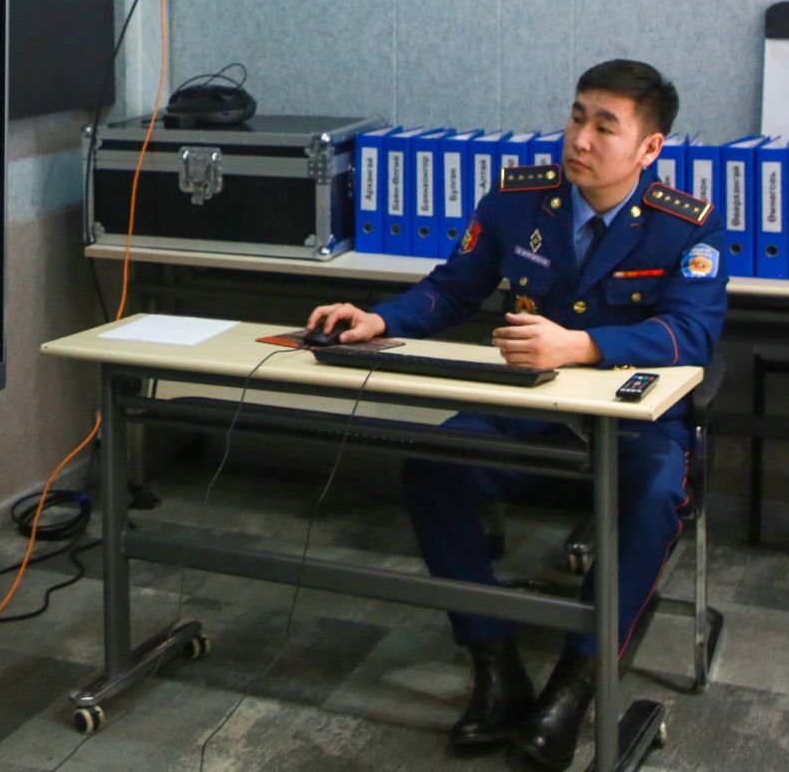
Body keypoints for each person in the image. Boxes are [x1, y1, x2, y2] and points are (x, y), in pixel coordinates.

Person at [307, 60, 726, 771]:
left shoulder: (685, 225)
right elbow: (453, 289)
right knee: (435, 465)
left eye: (605, 127)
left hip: (636, 423)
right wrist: (379, 320)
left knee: (656, 494)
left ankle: (574, 689)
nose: (580, 139)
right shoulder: (517, 200)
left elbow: (692, 334)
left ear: (649, 148)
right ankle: (495, 666)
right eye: (576, 117)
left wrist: (583, 345)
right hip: (529, 409)